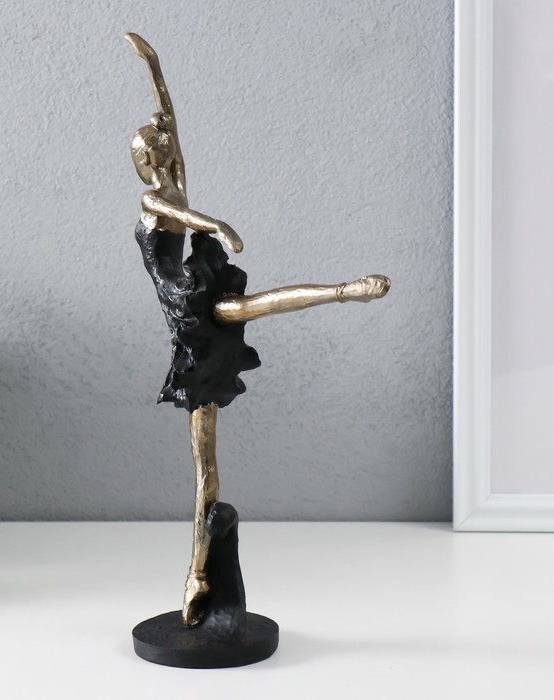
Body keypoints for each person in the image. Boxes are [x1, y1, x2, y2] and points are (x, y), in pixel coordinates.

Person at [126, 33, 390, 626]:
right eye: (157, 141)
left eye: (164, 138)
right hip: (183, 301)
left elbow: (171, 116)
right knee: (240, 317)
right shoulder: (153, 197)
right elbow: (181, 215)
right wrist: (218, 226)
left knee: (211, 452)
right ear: (149, 159)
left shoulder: (175, 172)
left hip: (198, 280)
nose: (165, 139)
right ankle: (343, 291)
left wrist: (155, 66)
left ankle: (199, 571)